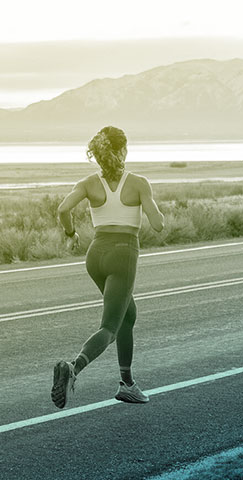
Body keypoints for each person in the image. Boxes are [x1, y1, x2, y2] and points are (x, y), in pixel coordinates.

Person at [51, 126, 164, 409]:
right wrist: (151, 207)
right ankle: (72, 367)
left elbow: (63, 209)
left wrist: (70, 234)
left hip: (95, 255)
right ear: (123, 150)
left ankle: (127, 384)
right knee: (110, 327)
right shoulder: (138, 183)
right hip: (123, 254)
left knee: (128, 315)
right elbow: (158, 225)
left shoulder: (88, 182)